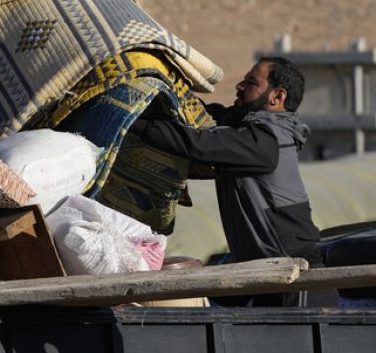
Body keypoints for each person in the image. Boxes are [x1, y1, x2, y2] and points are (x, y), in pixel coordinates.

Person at [129, 56, 328, 307]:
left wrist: (135, 122)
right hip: (269, 274)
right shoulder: (250, 129)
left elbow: (197, 143)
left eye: (251, 83)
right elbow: (202, 115)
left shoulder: (266, 142)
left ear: (277, 97)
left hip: (297, 279)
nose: (240, 87)